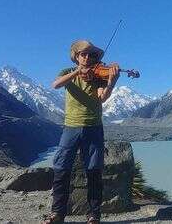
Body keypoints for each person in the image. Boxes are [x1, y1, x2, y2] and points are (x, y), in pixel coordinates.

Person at [42, 40, 120, 224]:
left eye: (91, 55)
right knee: (61, 170)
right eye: (83, 54)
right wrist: (78, 72)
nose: (87, 57)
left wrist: (111, 82)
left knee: (94, 171)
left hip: (93, 128)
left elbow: (102, 98)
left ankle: (94, 215)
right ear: (76, 57)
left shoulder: (99, 76)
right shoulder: (66, 73)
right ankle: (57, 214)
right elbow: (55, 85)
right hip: (70, 127)